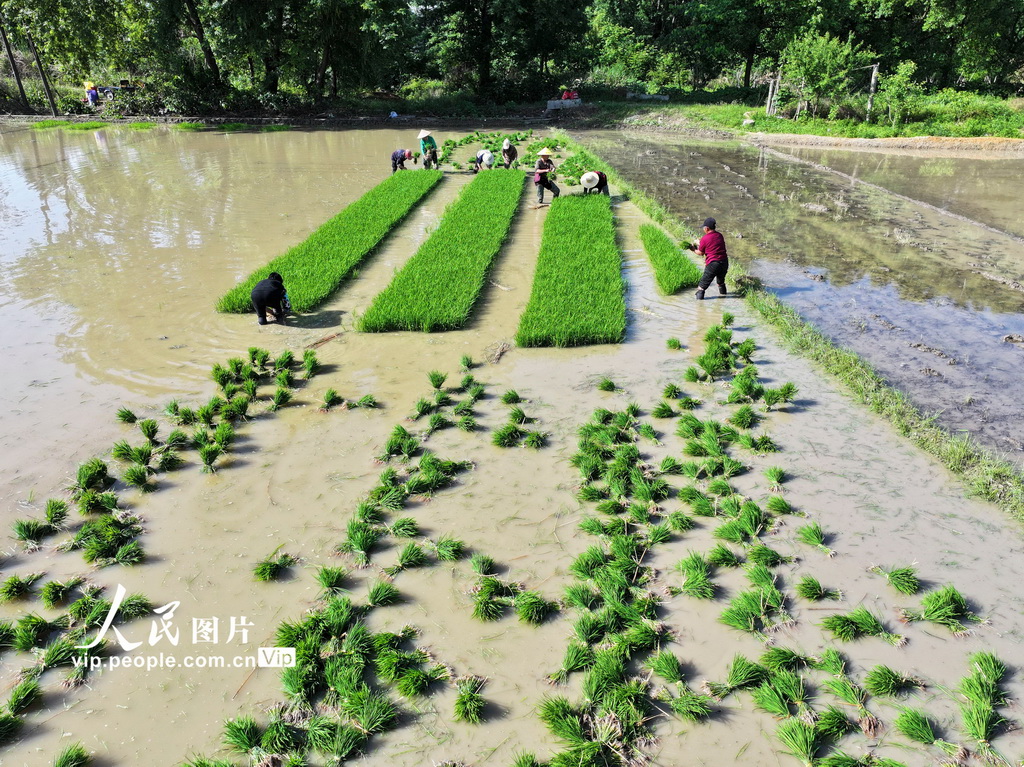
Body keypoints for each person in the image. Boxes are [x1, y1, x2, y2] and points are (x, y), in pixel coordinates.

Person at [692, 217, 728, 300]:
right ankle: (723, 297)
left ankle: (699, 305)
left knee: (701, 287)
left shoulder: (705, 238)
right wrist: (700, 243)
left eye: (704, 228)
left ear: (707, 228)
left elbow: (700, 253)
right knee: (721, 283)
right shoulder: (719, 235)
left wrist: (692, 248)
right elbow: (712, 245)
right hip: (724, 262)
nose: (703, 229)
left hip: (713, 264)